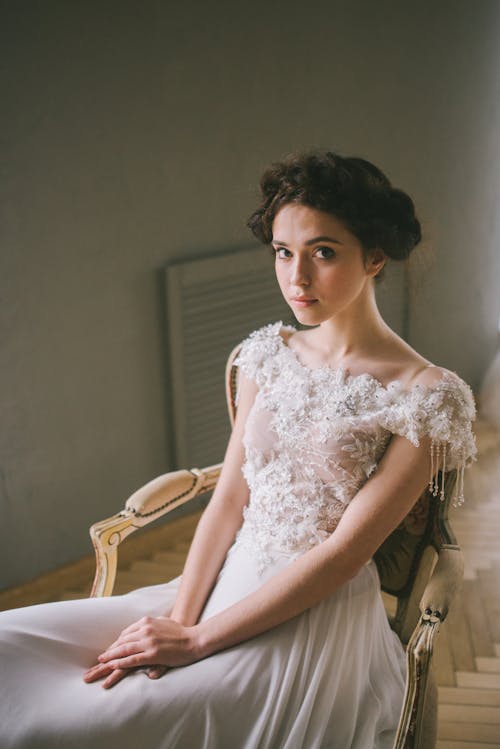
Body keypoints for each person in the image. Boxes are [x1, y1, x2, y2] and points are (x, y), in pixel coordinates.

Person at [0, 151, 477, 749]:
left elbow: (346, 552)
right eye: (283, 252)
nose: (296, 277)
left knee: (69, 724)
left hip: (315, 615)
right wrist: (180, 618)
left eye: (323, 252)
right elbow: (228, 500)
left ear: (375, 256)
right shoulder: (267, 353)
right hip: (220, 581)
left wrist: (199, 643)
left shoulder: (429, 395)